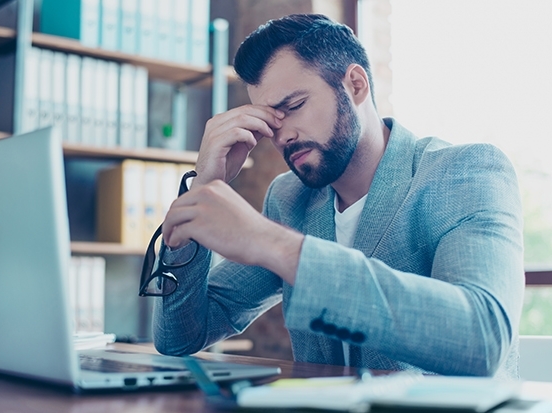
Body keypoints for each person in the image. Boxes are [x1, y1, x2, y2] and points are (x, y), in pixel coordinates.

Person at [152, 14, 524, 378]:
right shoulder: (289, 199)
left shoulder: (463, 172)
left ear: (356, 85)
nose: (282, 137)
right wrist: (204, 187)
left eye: (294, 107)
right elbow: (179, 337)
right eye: (271, 121)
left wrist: (275, 245)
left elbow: (484, 339)